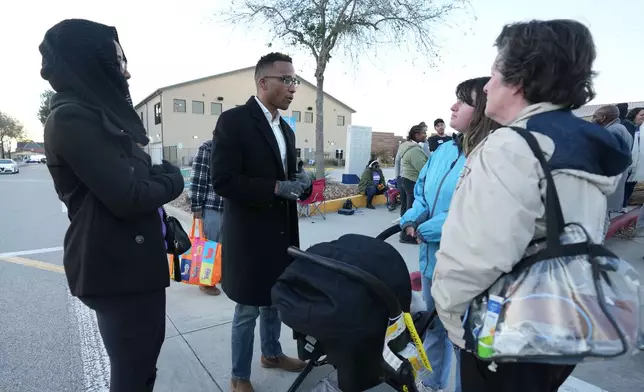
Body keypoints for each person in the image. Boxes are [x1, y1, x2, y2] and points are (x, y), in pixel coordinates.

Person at [431, 19, 631, 392]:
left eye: (493, 74)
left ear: (519, 80)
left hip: (503, 334)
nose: (487, 85)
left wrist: (449, 312)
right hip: (560, 324)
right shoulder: (580, 145)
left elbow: (477, 257)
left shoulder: (512, 147)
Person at [40, 19, 185, 392]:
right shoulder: (72, 118)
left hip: (135, 265)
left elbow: (138, 178)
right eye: (117, 60)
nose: (127, 71)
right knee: (133, 373)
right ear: (90, 59)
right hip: (115, 269)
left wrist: (153, 177)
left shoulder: (100, 115)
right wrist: (174, 180)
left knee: (145, 362)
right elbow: (130, 195)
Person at [210, 52, 312, 392]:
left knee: (275, 301)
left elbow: (288, 174)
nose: (293, 87)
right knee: (248, 308)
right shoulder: (234, 122)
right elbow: (223, 180)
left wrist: (301, 180)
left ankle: (271, 353)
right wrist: (275, 187)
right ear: (263, 82)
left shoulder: (285, 128)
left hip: (281, 233)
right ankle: (239, 375)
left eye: (294, 80)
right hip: (251, 237)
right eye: (286, 80)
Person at [400, 77, 500, 392]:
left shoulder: (495, 152)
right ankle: (431, 384)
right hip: (432, 262)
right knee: (432, 328)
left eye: (463, 101)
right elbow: (422, 192)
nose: (453, 107)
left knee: (468, 344)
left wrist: (427, 228)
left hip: (467, 267)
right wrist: (413, 217)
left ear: (483, 108)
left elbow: (477, 206)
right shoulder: (444, 150)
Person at [189, 139, 224, 296]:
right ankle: (205, 281)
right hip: (212, 207)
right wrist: (196, 206)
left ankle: (219, 274)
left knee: (224, 247)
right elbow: (198, 178)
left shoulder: (235, 147)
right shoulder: (208, 148)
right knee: (210, 247)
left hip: (230, 209)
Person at [592, 105, 633, 215]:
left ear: (603, 118)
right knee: (605, 212)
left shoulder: (612, 131)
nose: (592, 119)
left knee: (602, 213)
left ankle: (602, 232)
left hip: (610, 176)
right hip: (618, 174)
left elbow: (606, 156)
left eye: (595, 116)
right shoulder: (621, 128)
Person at [398, 124, 428, 243]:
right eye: (423, 133)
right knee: (412, 209)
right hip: (413, 181)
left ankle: (403, 234)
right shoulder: (414, 150)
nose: (425, 135)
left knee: (406, 208)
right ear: (416, 135)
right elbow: (423, 168)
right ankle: (407, 236)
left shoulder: (407, 147)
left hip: (406, 179)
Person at [624, 107, 644, 206]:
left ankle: (624, 204)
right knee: (625, 184)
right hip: (627, 162)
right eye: (642, 115)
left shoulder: (641, 129)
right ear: (634, 115)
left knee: (631, 184)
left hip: (637, 163)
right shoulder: (628, 127)